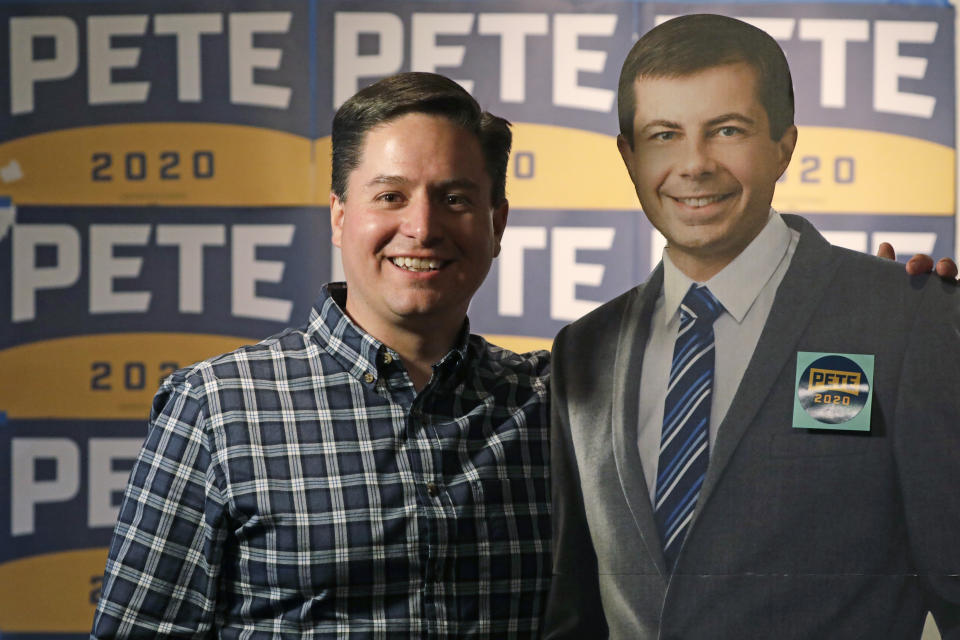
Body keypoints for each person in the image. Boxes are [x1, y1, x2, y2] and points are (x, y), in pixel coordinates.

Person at [91, 72, 551, 638]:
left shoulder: (550, 407)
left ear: (497, 224)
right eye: (390, 197)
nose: (423, 227)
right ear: (338, 216)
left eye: (455, 199)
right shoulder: (217, 407)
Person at [545, 14, 960, 639]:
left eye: (727, 130)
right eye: (664, 134)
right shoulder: (582, 349)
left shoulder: (906, 318)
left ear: (784, 146)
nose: (694, 165)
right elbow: (574, 611)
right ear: (628, 156)